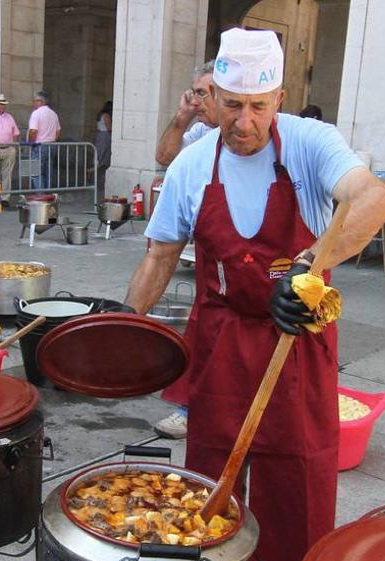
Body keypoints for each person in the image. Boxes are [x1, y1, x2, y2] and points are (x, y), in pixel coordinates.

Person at [125, 28, 385, 561]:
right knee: (213, 455)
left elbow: (375, 200)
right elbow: (160, 254)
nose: (244, 122)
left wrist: (305, 269)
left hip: (296, 335)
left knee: (297, 463)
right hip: (221, 337)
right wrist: (122, 329)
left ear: (279, 98)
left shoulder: (309, 144)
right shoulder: (194, 164)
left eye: (258, 107)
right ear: (211, 97)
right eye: (231, 105)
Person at [152, 61, 218, 440]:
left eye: (204, 92)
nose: (199, 99)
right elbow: (164, 157)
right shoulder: (196, 135)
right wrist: (180, 118)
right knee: (204, 328)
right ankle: (189, 406)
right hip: (210, 244)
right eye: (196, 92)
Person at [155, 61, 218, 168]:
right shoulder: (201, 131)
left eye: (201, 93)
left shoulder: (241, 133)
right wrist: (182, 116)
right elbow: (164, 158)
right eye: (194, 93)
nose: (194, 102)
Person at [27, 90, 61, 190]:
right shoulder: (54, 114)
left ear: (40, 102)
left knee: (35, 171)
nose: (33, 103)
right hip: (51, 144)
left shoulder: (36, 113)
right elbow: (58, 131)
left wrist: (31, 143)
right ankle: (48, 194)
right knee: (48, 171)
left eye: (35, 101)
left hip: (40, 145)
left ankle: (41, 194)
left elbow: (33, 131)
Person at [94, 101, 112, 196]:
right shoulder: (106, 116)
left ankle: (93, 177)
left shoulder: (100, 115)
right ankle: (99, 180)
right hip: (105, 137)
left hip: (99, 136)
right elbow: (109, 128)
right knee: (104, 159)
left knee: (99, 157)